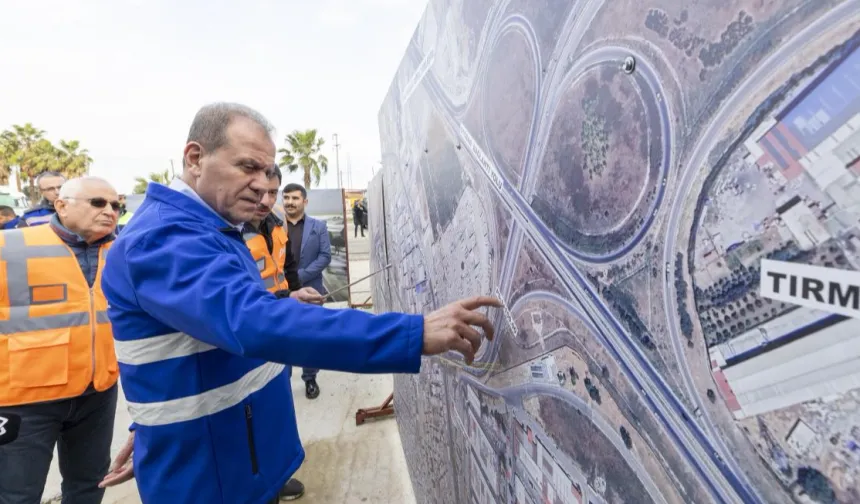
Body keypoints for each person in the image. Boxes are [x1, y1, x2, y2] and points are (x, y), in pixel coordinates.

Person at [98, 102, 500, 504]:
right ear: (195, 158)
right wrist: (413, 333)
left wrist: (154, 423)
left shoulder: (212, 228)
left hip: (233, 462)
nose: (261, 184)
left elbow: (201, 331)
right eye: (247, 167)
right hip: (212, 481)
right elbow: (250, 322)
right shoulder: (162, 240)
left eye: (267, 171)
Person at [0, 176, 121, 504]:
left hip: (97, 392)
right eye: (98, 203)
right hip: (23, 400)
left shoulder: (124, 251)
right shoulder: (9, 246)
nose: (110, 211)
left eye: (116, 206)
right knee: (17, 495)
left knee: (90, 484)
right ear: (62, 205)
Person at [282, 182, 330, 399]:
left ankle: (310, 378)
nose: (290, 202)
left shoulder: (318, 227)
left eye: (295, 198)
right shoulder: (274, 227)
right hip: (282, 293)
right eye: (286, 198)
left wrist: (298, 277)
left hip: (311, 289)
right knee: (285, 336)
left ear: (305, 201)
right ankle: (284, 380)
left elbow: (325, 256)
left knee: (310, 336)